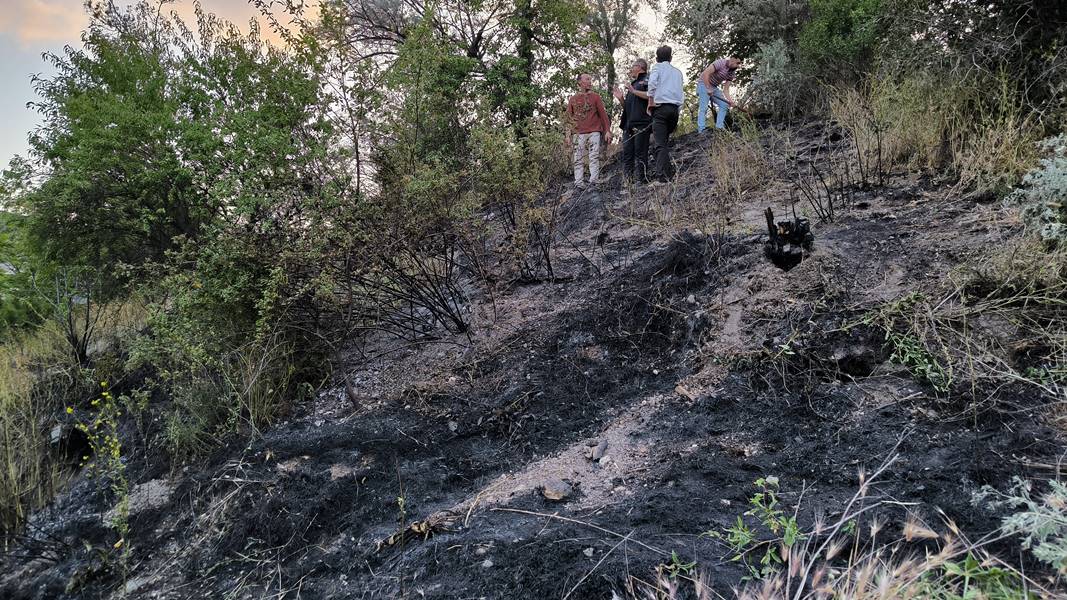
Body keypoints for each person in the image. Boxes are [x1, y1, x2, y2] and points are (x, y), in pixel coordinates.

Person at [645, 45, 684, 185]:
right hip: (674, 110)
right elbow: (681, 94)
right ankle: (668, 172)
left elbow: (652, 84)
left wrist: (650, 101)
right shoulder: (678, 72)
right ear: (671, 58)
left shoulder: (657, 67)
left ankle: (663, 178)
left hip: (661, 109)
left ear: (657, 58)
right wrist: (678, 111)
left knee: (660, 144)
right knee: (664, 143)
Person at [566, 74, 611, 189]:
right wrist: (568, 135)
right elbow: (569, 119)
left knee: (594, 156)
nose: (590, 82)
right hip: (578, 133)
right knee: (578, 157)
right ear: (580, 82)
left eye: (590, 79)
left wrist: (607, 131)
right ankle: (579, 182)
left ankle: (594, 179)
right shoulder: (573, 99)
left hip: (594, 131)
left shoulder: (596, 97)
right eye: (587, 79)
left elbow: (603, 115)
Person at [612, 58, 651, 184]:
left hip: (641, 123)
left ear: (639, 67)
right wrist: (621, 99)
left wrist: (634, 91)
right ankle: (628, 182)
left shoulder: (647, 80)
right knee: (627, 154)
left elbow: (651, 96)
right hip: (628, 125)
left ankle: (642, 180)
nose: (630, 69)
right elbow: (628, 108)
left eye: (633, 66)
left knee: (641, 152)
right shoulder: (633, 84)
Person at [698, 57, 741, 131]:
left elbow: (726, 89)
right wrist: (708, 88)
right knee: (703, 107)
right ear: (732, 59)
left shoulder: (732, 74)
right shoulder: (720, 63)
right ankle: (701, 129)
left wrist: (730, 101)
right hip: (703, 84)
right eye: (737, 63)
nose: (738, 66)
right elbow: (706, 73)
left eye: (739, 64)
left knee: (724, 104)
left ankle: (719, 127)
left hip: (714, 87)